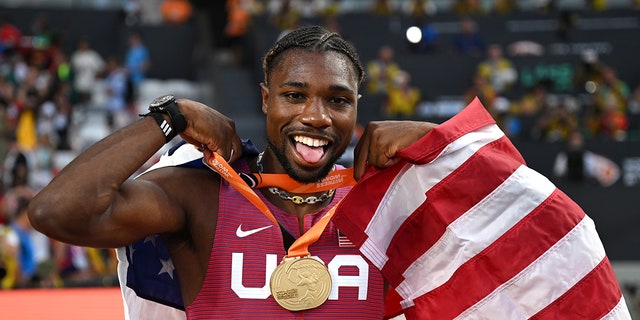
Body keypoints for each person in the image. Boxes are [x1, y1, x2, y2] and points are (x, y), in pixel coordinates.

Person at [28, 25, 434, 318]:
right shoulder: (202, 195)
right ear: (265, 99)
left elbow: (497, 230)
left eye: (338, 100)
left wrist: (440, 143)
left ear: (357, 108)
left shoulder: (388, 204)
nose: (316, 116)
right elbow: (56, 212)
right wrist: (171, 116)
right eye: (294, 96)